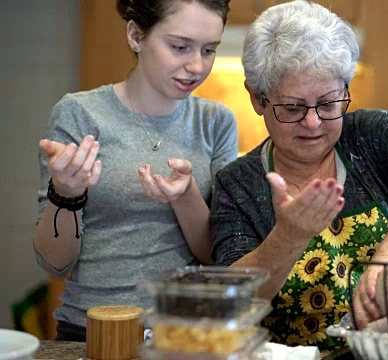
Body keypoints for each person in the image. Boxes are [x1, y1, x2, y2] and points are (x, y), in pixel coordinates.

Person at [210, 0, 388, 351]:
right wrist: (289, 236)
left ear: (344, 89)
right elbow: (231, 299)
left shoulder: (372, 138)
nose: (313, 123)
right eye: (293, 108)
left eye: (328, 104)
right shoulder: (237, 185)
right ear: (258, 99)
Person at [34, 0, 237, 341]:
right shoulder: (80, 115)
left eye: (209, 50)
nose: (196, 66)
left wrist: (185, 194)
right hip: (91, 331)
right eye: (179, 47)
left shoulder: (215, 123)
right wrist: (65, 193)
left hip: (182, 333)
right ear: (136, 35)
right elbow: (55, 263)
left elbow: (215, 255)